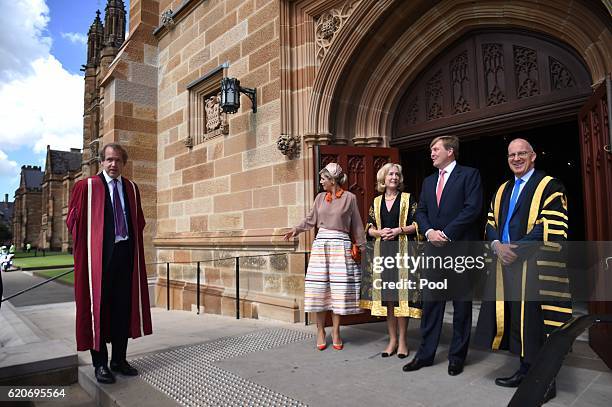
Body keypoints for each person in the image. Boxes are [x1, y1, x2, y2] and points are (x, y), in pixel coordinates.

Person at [475, 138, 569, 403]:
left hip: (534, 265)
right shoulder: (503, 188)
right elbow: (491, 221)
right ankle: (526, 370)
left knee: (537, 324)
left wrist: (513, 249)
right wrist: (495, 245)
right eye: (511, 155)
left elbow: (550, 226)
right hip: (506, 266)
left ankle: (546, 382)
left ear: (533, 156)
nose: (516, 158)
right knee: (518, 320)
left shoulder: (549, 185)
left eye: (521, 154)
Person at [66, 143, 152, 384]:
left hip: (125, 257)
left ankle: (119, 360)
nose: (114, 164)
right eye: (109, 160)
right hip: (99, 260)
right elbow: (73, 221)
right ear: (101, 162)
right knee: (98, 311)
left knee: (123, 310)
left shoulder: (132, 189)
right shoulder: (86, 187)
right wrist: (91, 246)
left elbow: (139, 222)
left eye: (118, 160)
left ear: (124, 163)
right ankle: (101, 364)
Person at [403, 135, 482, 376]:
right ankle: (425, 355)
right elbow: (422, 211)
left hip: (459, 250)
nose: (432, 153)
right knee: (431, 305)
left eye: (435, 149)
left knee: (461, 307)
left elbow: (473, 208)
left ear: (450, 151)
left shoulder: (469, 175)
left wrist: (446, 234)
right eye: (430, 150)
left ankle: (457, 357)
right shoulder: (428, 182)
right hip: (433, 252)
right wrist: (428, 232)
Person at [284, 162, 366, 351]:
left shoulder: (350, 198)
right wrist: (296, 229)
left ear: (332, 179)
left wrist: (361, 248)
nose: (320, 181)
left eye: (323, 178)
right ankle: (320, 330)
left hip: (341, 246)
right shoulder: (320, 198)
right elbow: (311, 219)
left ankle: (336, 331)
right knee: (318, 289)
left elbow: (357, 225)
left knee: (338, 291)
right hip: (321, 246)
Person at [361, 163, 421, 358]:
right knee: (388, 298)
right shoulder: (376, 201)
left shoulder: (407, 199)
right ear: (383, 179)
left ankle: (403, 341)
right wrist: (378, 232)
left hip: (402, 254)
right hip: (382, 254)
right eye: (390, 174)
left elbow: (417, 224)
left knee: (401, 298)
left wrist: (398, 230)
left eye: (397, 174)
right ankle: (392, 340)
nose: (394, 177)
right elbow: (368, 227)